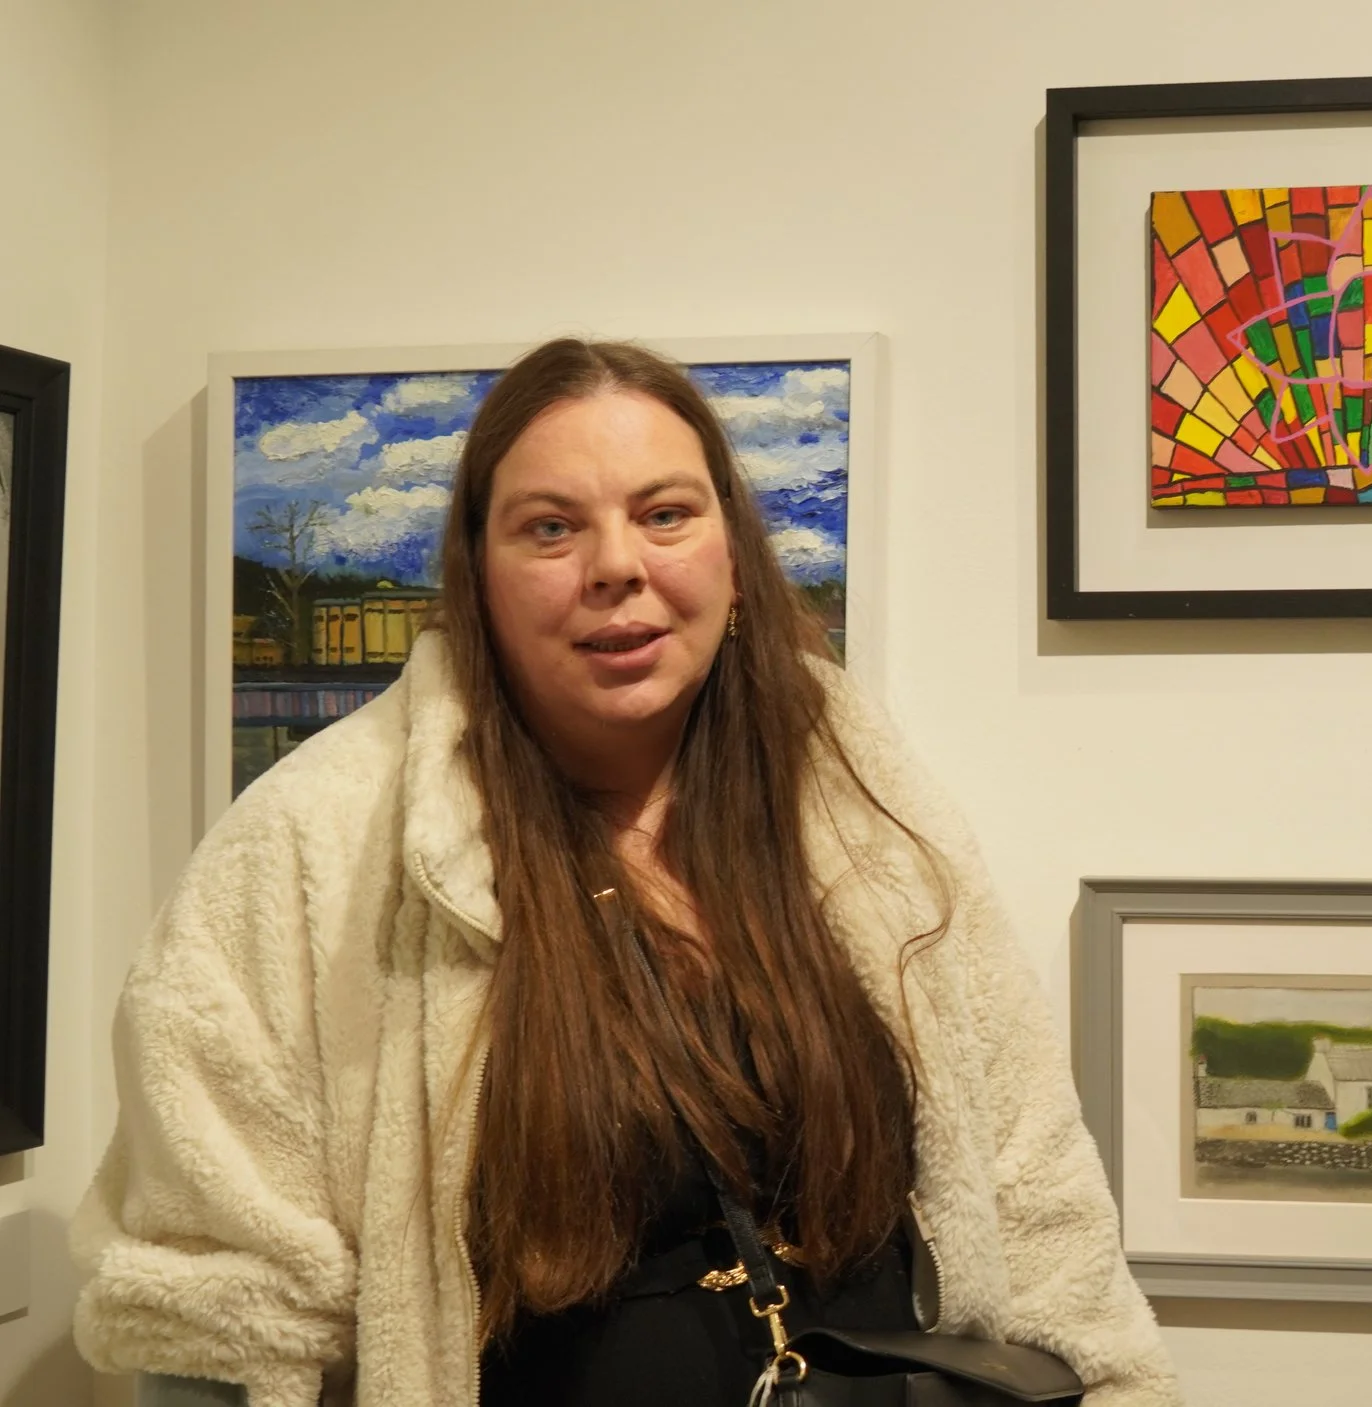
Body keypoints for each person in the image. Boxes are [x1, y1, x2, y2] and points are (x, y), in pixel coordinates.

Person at [70, 339, 1181, 1406]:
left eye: (664, 515)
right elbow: (216, 1315)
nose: (617, 566)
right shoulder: (312, 846)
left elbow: (1036, 1198)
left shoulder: (865, 803)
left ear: (733, 556)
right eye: (551, 528)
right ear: (479, 578)